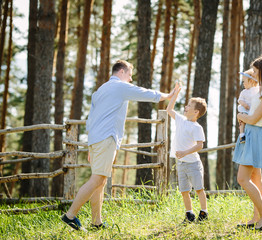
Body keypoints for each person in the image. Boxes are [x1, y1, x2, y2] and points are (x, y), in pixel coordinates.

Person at [61, 60, 176, 230]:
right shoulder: (119, 86)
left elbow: (90, 120)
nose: (130, 79)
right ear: (121, 72)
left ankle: (96, 222)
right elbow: (143, 93)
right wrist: (167, 95)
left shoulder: (99, 91)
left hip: (97, 140)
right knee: (97, 179)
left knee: (100, 181)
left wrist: (90, 145)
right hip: (107, 138)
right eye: (129, 75)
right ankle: (70, 215)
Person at [233, 55, 262, 231]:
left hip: (255, 133)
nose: (253, 74)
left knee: (242, 178)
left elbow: (253, 118)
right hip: (255, 134)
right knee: (255, 178)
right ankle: (256, 217)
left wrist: (240, 116)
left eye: (255, 71)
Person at [166, 83, 208, 223]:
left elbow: (200, 145)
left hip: (193, 164)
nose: (186, 106)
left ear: (196, 112)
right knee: (184, 191)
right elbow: (169, 109)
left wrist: (185, 152)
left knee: (199, 189)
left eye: (189, 105)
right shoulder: (181, 120)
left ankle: (204, 212)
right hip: (181, 163)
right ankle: (189, 214)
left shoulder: (197, 127)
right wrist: (176, 94)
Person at [237, 69, 259, 142]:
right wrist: (244, 104)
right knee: (242, 121)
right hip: (245, 110)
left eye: (244, 81)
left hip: (253, 111)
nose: (243, 83)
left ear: (251, 81)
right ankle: (242, 135)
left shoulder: (257, 90)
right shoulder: (244, 92)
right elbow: (240, 100)